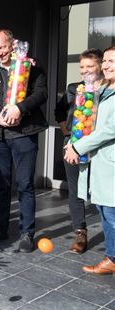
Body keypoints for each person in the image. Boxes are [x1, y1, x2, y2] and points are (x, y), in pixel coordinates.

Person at [0, 29, 48, 252]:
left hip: (24, 135)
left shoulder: (32, 68)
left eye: (2, 47)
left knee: (25, 185)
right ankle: (0, 227)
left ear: (12, 44)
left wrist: (20, 108)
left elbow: (41, 94)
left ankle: (27, 232)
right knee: (1, 185)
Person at [64, 46, 115, 275]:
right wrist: (73, 142)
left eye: (111, 61)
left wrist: (78, 146)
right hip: (95, 157)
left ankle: (112, 258)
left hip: (107, 159)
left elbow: (108, 130)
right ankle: (112, 257)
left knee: (111, 212)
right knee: (104, 209)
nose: (106, 65)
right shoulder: (101, 89)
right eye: (105, 60)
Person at [54, 48, 103, 253]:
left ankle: (110, 232)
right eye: (82, 66)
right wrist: (67, 132)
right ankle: (80, 232)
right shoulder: (75, 88)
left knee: (101, 191)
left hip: (100, 149)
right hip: (73, 148)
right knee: (75, 191)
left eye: (90, 66)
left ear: (101, 66)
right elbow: (60, 110)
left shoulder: (109, 90)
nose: (85, 70)